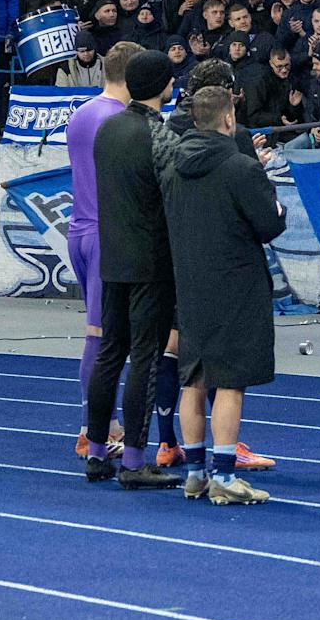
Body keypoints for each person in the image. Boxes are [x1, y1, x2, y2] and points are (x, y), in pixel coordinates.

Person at [161, 83, 287, 505]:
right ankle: (225, 476)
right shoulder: (240, 167)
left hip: (189, 282)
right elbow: (270, 224)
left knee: (193, 380)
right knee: (230, 381)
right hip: (235, 284)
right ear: (229, 118)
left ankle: (195, 473)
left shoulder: (173, 167)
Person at [83, 51, 183, 489]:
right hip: (151, 262)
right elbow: (177, 192)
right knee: (145, 356)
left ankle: (97, 451)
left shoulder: (108, 128)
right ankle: (135, 461)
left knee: (110, 353)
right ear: (163, 85)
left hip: (113, 255)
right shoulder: (159, 134)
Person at [64, 39, 138, 455]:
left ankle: (103, 423)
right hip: (106, 235)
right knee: (100, 336)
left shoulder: (81, 113)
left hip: (80, 229)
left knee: (101, 333)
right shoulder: (118, 119)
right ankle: (93, 429)